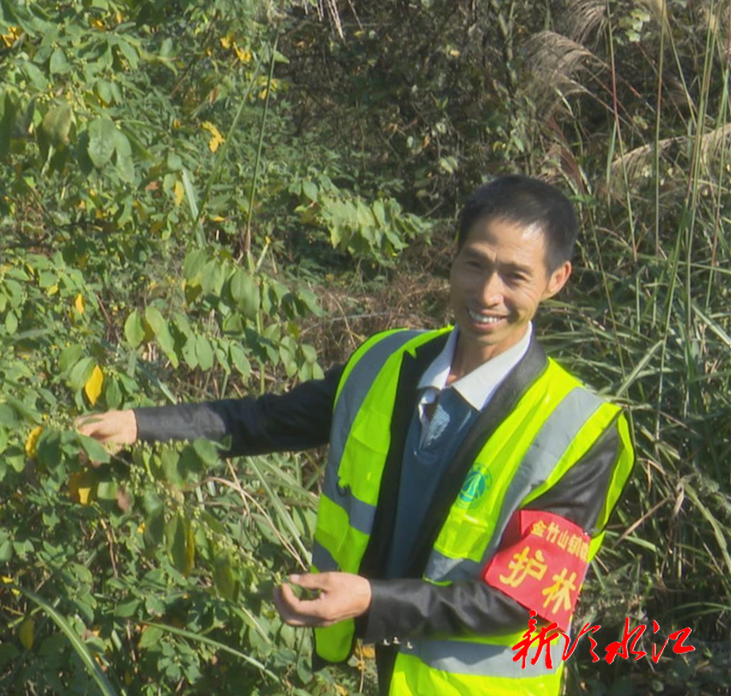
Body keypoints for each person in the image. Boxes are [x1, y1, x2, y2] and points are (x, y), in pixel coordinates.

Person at [77, 175, 634, 695]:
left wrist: (370, 599)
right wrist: (140, 425)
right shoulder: (387, 364)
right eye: (474, 264)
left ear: (556, 280)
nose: (488, 293)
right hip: (377, 673)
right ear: (453, 259)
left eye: (515, 276)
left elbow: (523, 602)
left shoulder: (580, 431)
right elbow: (267, 419)